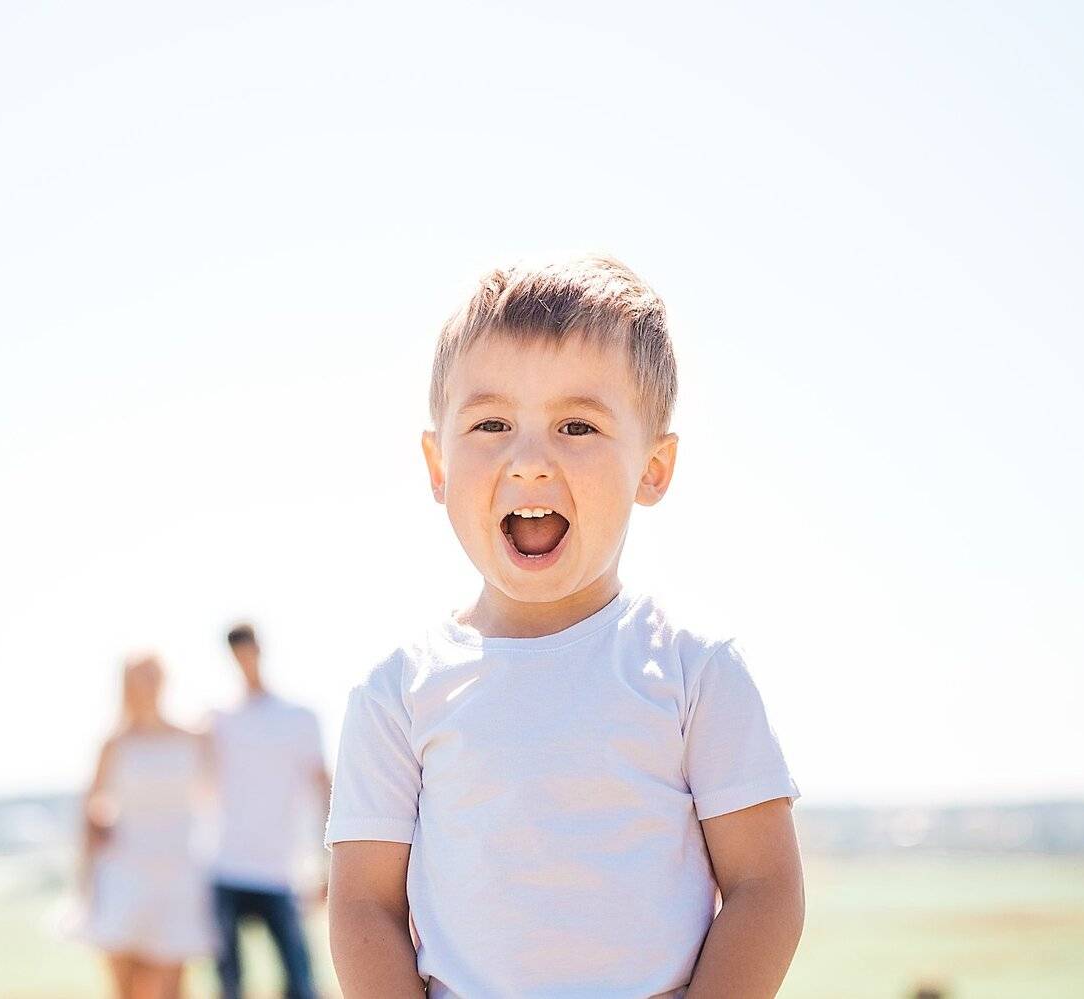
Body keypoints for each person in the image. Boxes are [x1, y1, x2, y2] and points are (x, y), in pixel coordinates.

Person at [325, 254, 805, 998]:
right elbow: (363, 905)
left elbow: (765, 887)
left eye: (577, 425)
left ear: (654, 466)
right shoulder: (397, 694)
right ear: (437, 463)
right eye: (491, 423)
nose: (530, 462)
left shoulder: (695, 672)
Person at [76, 652, 213, 999]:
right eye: (139, 679)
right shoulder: (114, 743)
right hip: (125, 869)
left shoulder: (194, 737)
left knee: (173, 982)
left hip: (178, 868)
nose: (147, 687)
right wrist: (85, 878)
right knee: (125, 978)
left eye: (153, 677)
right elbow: (89, 811)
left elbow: (220, 798)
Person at [207, 623, 331, 999]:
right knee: (230, 985)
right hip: (225, 867)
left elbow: (324, 791)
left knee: (300, 983)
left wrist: (327, 865)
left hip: (281, 871)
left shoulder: (298, 718)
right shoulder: (215, 720)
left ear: (259, 649)